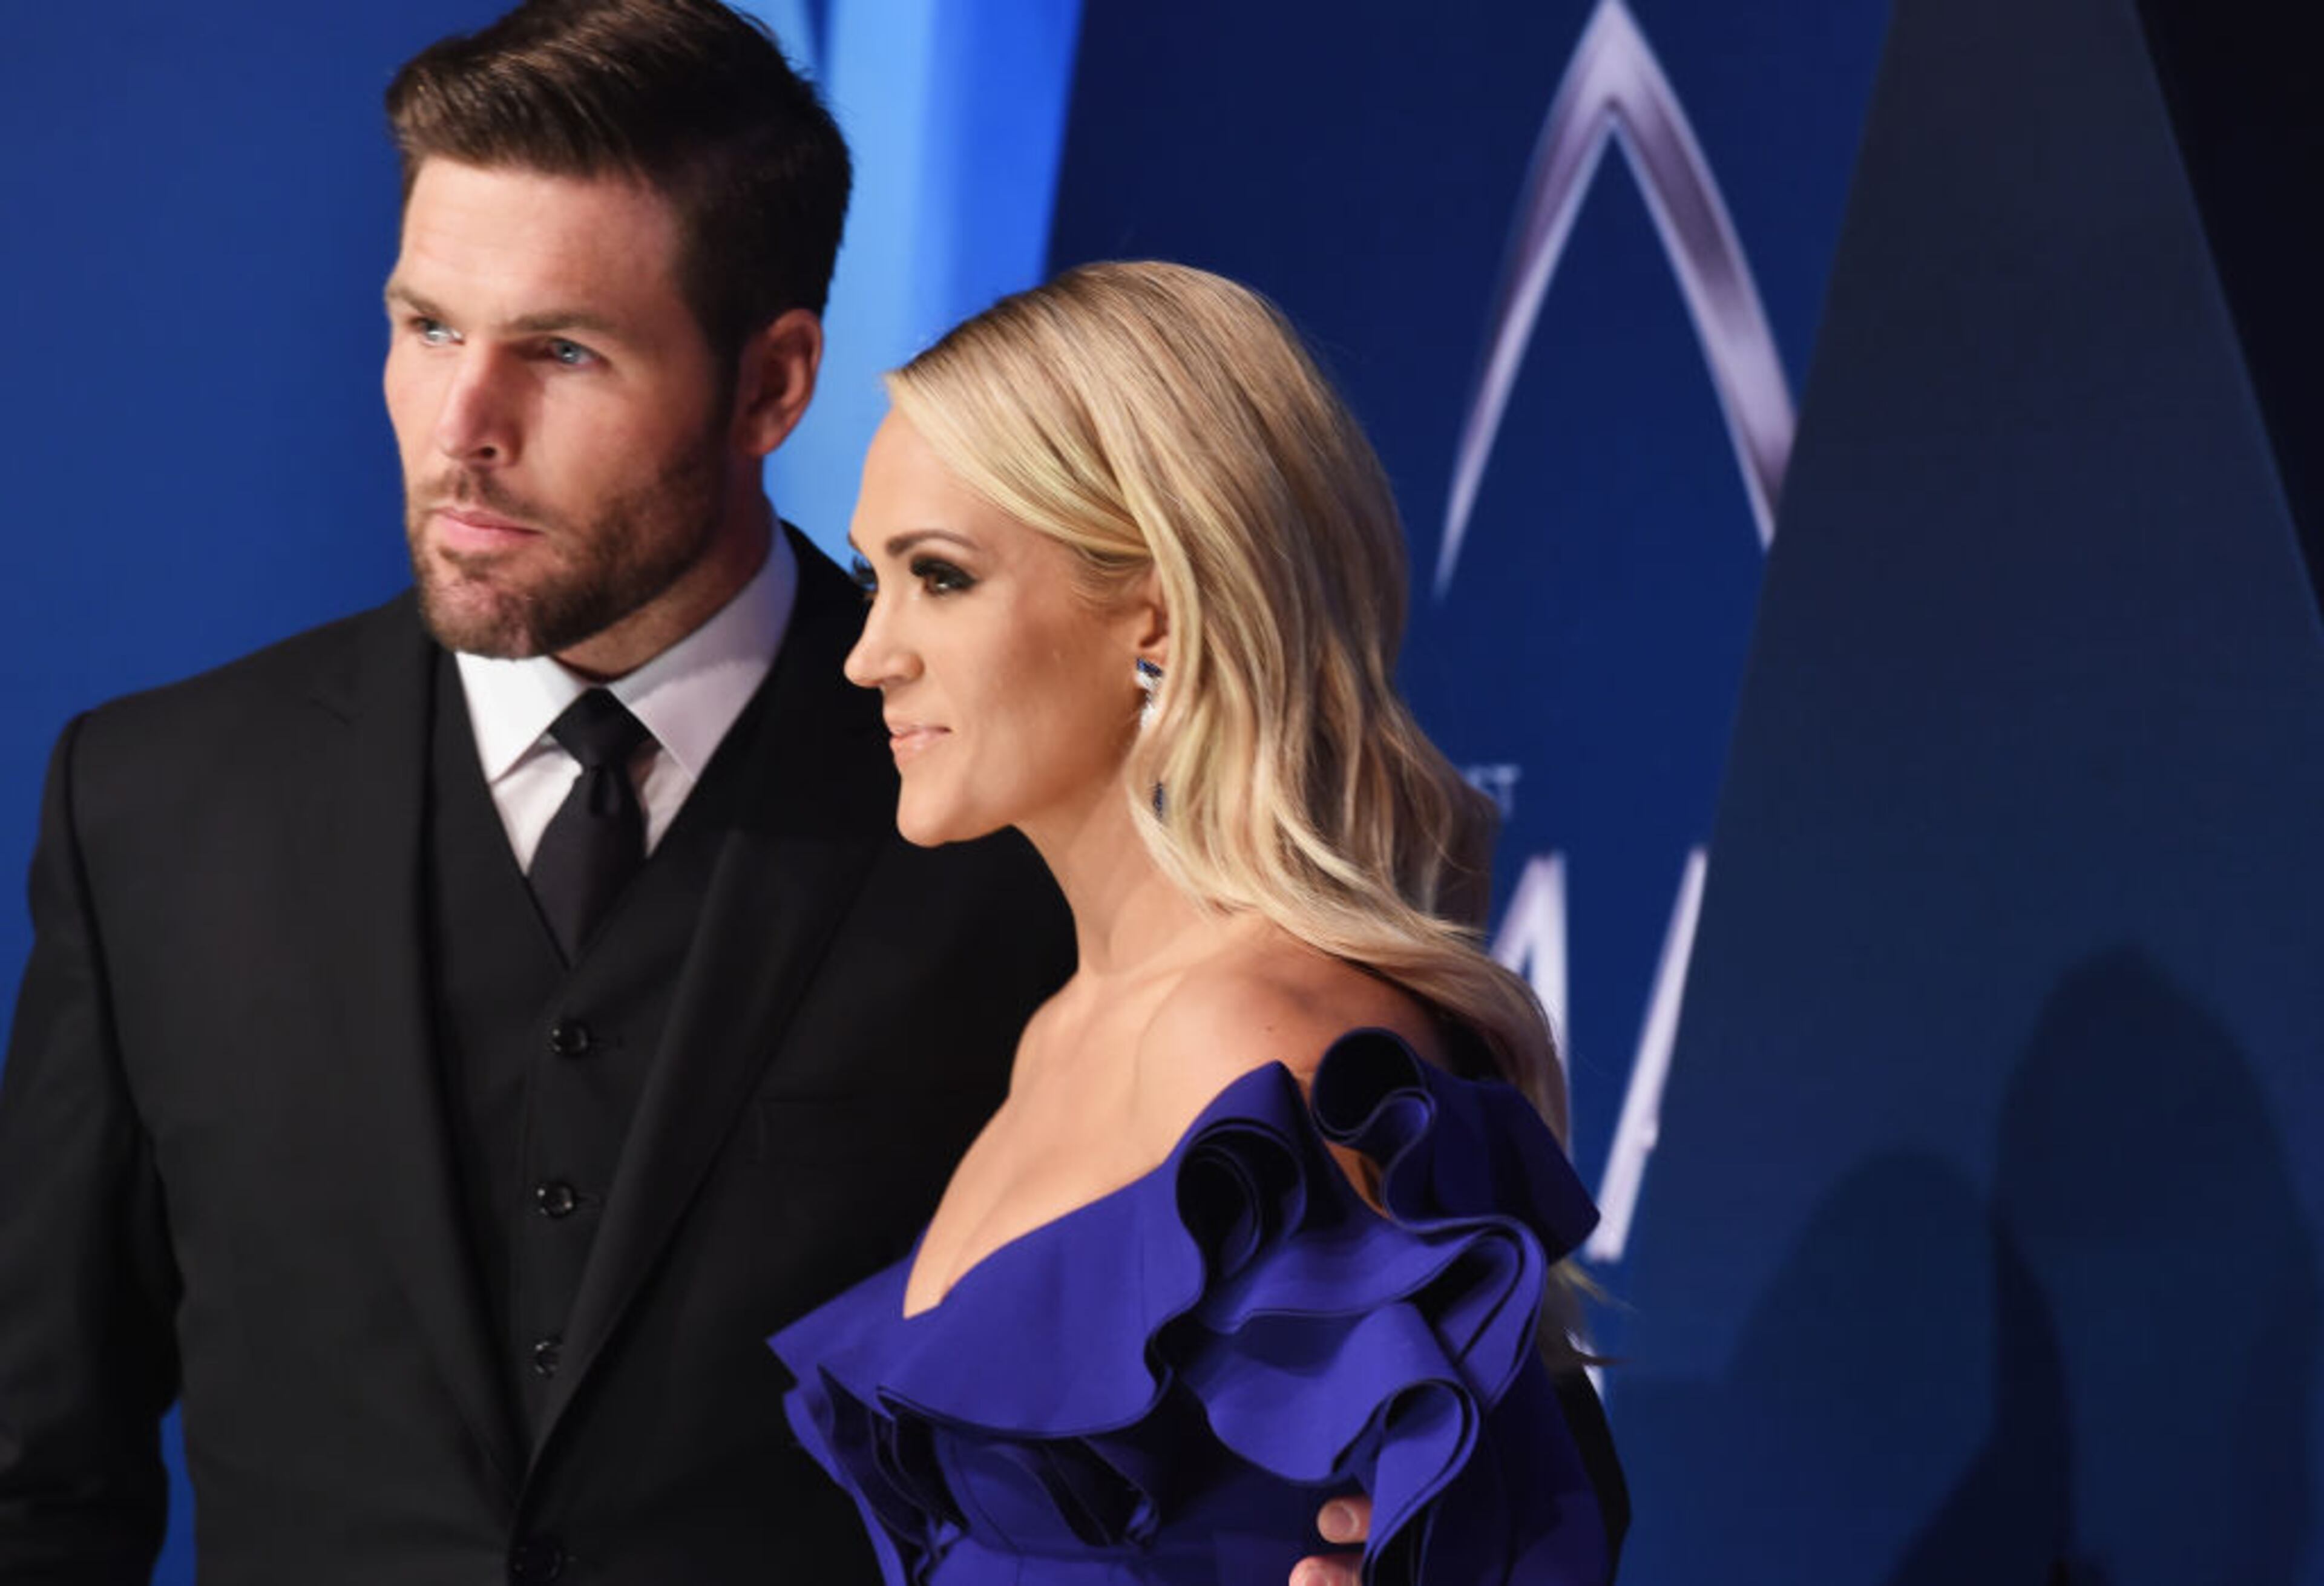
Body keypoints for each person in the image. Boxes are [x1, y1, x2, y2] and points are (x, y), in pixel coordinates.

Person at [0, 3, 1083, 1582]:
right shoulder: (158, 803)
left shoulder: (1021, 810)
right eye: (427, 326)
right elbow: (35, 1469)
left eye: (562, 351)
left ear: (774, 385)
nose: (462, 430)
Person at [772, 261, 1626, 1584]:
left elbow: (1487, 1523)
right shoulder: (1066, 1026)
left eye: (939, 578)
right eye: (869, 577)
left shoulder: (1259, 1049)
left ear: (1158, 610)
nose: (869, 652)